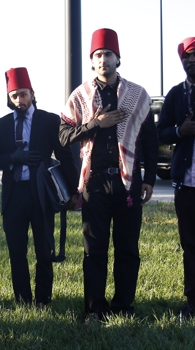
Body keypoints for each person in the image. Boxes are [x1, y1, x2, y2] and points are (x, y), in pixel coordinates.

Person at [59, 28, 158, 321]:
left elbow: (150, 142)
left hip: (128, 182)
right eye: (98, 55)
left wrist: (150, 178)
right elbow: (64, 136)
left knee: (127, 247)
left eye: (108, 54)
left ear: (118, 59)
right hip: (95, 181)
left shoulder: (138, 95)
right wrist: (96, 124)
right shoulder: (80, 96)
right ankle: (94, 309)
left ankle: (124, 306)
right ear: (92, 62)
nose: (103, 60)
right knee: (94, 249)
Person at [0, 67, 78, 307]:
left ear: (32, 94)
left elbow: (65, 156)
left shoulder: (49, 120)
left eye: (24, 94)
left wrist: (74, 190)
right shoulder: (2, 124)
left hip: (41, 194)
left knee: (43, 249)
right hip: (14, 194)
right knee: (17, 252)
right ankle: (22, 299)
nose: (20, 100)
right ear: (9, 98)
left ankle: (43, 300)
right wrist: (13, 158)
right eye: (15, 95)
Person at [157, 37, 195, 321]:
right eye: (187, 57)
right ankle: (192, 301)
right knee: (190, 244)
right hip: (186, 182)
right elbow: (160, 133)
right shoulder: (175, 95)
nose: (191, 61)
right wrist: (181, 131)